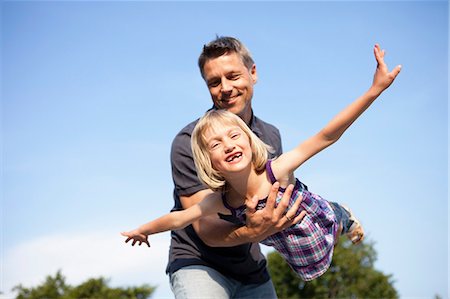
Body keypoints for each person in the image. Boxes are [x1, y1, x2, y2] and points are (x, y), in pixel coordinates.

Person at [122, 44, 401, 281]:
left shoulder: (274, 165)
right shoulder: (217, 194)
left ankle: (341, 213)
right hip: (283, 257)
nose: (228, 145)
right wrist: (144, 230)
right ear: (208, 162)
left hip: (312, 224)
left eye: (234, 136)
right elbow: (180, 218)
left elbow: (327, 135)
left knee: (329, 217)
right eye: (217, 145)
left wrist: (373, 91)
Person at [158, 36, 300, 298]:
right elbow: (208, 230)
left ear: (253, 73)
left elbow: (284, 198)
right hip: (198, 262)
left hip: (251, 267)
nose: (225, 88)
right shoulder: (189, 142)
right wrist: (254, 230)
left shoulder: (270, 136)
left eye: (233, 76)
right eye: (214, 82)